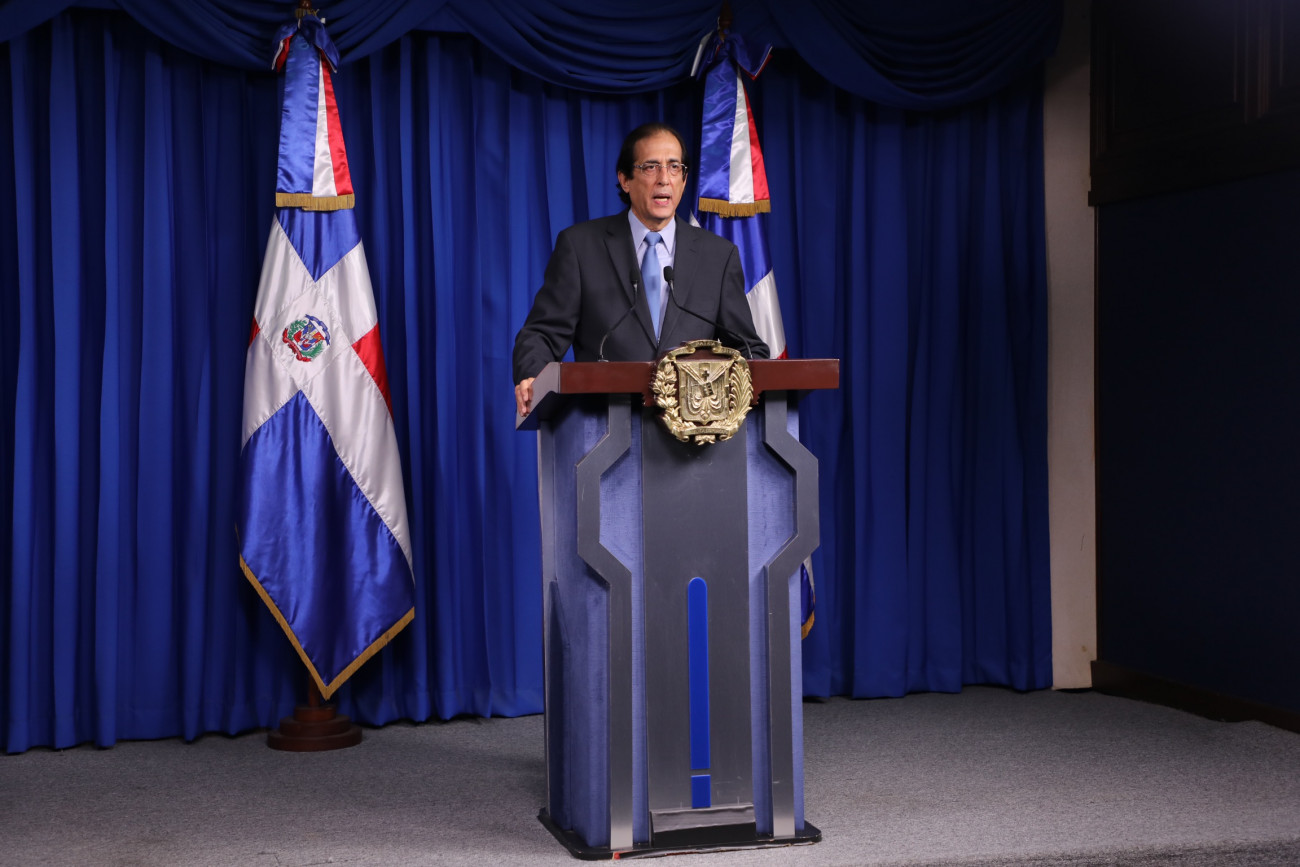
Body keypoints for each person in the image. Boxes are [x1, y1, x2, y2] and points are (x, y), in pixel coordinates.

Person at [512, 122, 768, 417]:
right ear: (625, 180)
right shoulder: (581, 247)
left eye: (674, 167)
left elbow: (748, 348)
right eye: (650, 167)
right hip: (603, 424)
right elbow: (542, 334)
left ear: (684, 180)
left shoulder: (718, 256)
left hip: (695, 430)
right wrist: (533, 376)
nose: (664, 179)